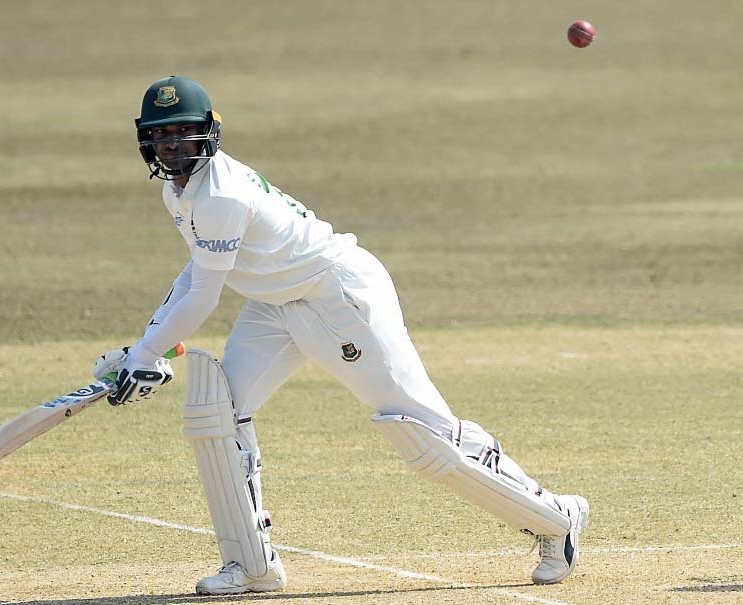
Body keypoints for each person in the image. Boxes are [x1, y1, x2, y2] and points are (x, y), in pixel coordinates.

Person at [93, 75, 589, 596]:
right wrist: (144, 349)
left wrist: (147, 352)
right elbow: (197, 272)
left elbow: (204, 295)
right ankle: (253, 565)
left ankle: (557, 518)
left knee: (422, 434)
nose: (172, 144)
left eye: (183, 131)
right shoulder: (179, 189)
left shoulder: (220, 193)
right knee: (216, 414)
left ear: (209, 131)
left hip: (336, 295)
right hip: (274, 302)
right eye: (160, 133)